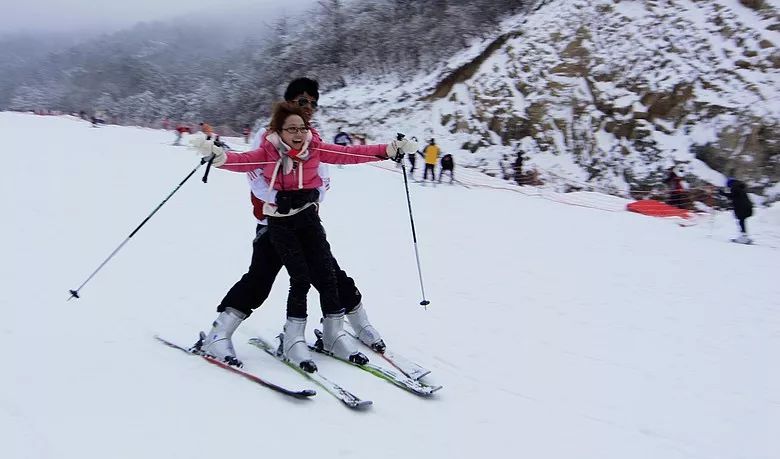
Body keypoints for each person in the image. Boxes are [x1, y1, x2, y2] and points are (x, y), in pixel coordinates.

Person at [192, 98, 416, 372]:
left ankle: (343, 330)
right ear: (278, 128)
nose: (298, 133)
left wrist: (388, 150)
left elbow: (349, 155)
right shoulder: (267, 148)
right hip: (273, 223)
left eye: (303, 126)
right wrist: (220, 158)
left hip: (307, 221)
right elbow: (246, 165)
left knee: (330, 276)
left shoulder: (314, 146)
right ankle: (219, 334)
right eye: (292, 128)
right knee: (260, 282)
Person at [721, 178, 754, 244]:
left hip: (742, 208)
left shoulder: (735, 187)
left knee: (741, 221)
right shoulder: (739, 187)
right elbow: (737, 197)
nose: (729, 188)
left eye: (728, 186)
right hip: (747, 207)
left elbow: (733, 196)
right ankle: (744, 236)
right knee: (742, 221)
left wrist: (723, 193)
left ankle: (744, 237)